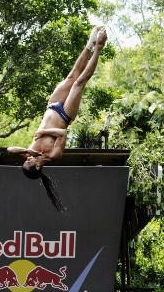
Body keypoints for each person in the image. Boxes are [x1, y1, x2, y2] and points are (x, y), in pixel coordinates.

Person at [7, 26, 108, 178]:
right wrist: (43, 132)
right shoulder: (53, 156)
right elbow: (62, 133)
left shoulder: (29, 152)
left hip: (51, 106)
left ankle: (90, 44)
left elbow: (9, 150)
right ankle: (99, 47)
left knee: (71, 76)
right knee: (79, 82)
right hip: (65, 115)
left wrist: (31, 152)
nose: (27, 159)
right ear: (38, 165)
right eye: (29, 162)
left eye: (26, 161)